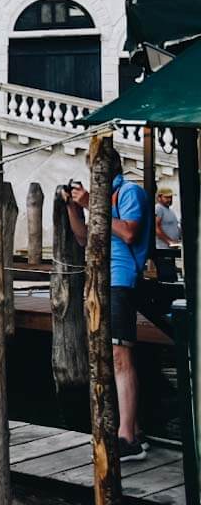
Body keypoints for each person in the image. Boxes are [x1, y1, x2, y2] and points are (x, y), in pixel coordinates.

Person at [63, 146, 153, 462]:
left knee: (119, 355)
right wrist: (74, 208)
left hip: (121, 279)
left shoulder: (128, 192)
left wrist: (92, 203)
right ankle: (135, 430)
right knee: (111, 355)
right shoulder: (102, 198)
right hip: (102, 279)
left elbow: (129, 233)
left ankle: (126, 438)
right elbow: (84, 238)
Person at [153, 187, 181, 282]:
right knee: (167, 279)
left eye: (170, 197)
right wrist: (169, 241)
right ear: (159, 197)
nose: (169, 199)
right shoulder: (158, 208)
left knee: (172, 278)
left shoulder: (170, 211)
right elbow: (155, 227)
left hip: (170, 250)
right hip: (162, 250)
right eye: (166, 197)